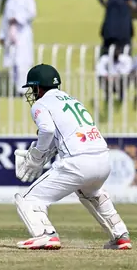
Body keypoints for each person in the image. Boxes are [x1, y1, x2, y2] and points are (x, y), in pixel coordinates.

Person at [14, 64, 131, 250]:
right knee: (91, 192)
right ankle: (120, 235)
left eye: (32, 88)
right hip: (103, 159)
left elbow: (47, 130)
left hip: (78, 162)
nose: (32, 93)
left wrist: (36, 157)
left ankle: (45, 234)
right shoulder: (71, 99)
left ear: (38, 87)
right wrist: (43, 153)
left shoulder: (41, 104)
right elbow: (62, 135)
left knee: (28, 200)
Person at [0, 0, 36, 96]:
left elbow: (32, 13)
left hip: (23, 32)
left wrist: (18, 18)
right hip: (11, 33)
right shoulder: (9, 1)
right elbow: (4, 20)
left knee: (23, 62)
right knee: (12, 63)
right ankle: (16, 89)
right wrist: (2, 35)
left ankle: (23, 89)